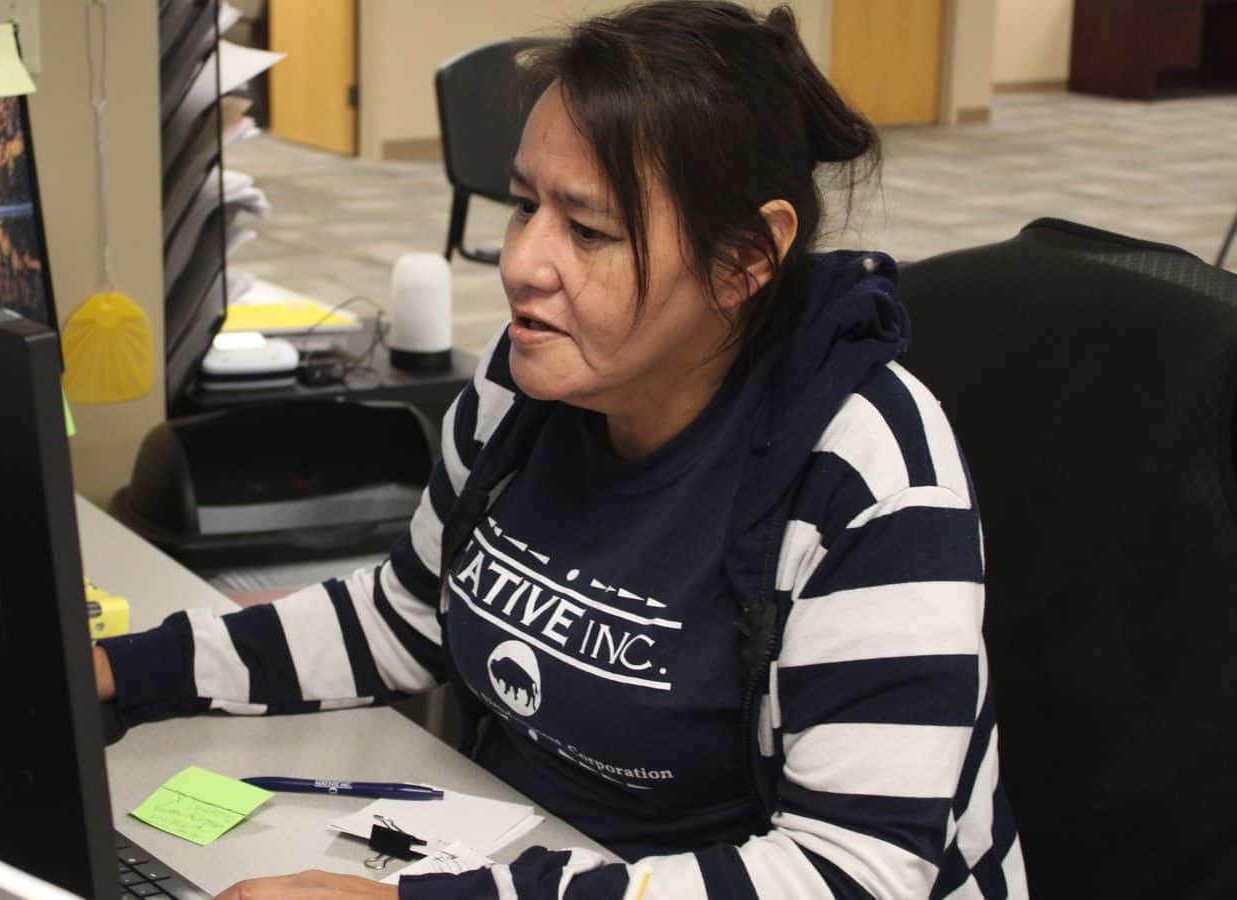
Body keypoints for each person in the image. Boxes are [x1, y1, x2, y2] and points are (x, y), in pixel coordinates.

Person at [96, 2, 1027, 897]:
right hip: (527, 854)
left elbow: (851, 876)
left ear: (744, 259)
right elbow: (401, 618)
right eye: (522, 206)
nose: (522, 264)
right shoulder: (529, 383)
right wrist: (123, 670)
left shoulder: (868, 474)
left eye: (588, 231)